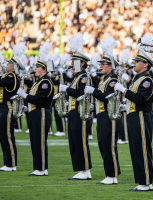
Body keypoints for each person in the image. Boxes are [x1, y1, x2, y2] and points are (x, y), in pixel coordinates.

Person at [115, 49, 153, 191]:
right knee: (135, 150)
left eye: (137, 61)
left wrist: (124, 90)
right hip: (133, 116)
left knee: (142, 149)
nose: (134, 63)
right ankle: (142, 182)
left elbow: (139, 99)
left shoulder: (147, 79)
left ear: (145, 65)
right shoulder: (138, 78)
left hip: (141, 117)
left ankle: (146, 182)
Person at [85, 36, 121, 184]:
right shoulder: (104, 79)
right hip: (101, 115)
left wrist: (93, 91)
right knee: (102, 145)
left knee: (108, 145)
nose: (101, 66)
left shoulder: (112, 80)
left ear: (110, 66)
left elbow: (107, 97)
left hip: (109, 116)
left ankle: (112, 176)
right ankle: (110, 175)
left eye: (103, 64)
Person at [16, 41, 54, 176]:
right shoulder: (38, 81)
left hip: (42, 113)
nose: (35, 68)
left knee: (39, 140)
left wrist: (24, 95)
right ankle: (39, 167)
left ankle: (42, 168)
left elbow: (38, 100)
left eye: (38, 66)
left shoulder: (45, 82)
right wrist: (27, 107)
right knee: (34, 140)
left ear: (44, 69)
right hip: (35, 113)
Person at [59, 32, 92, 180]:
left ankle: (85, 170)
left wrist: (66, 89)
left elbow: (80, 93)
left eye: (75, 61)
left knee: (80, 140)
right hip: (73, 111)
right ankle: (81, 169)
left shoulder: (83, 77)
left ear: (83, 63)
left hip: (80, 112)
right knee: (73, 140)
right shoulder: (77, 76)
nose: (72, 63)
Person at [0, 42, 25, 172]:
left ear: (14, 66)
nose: (7, 64)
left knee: (7, 135)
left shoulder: (12, 77)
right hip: (3, 107)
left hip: (8, 107)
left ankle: (11, 164)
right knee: (3, 136)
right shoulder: (8, 75)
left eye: (9, 63)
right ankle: (7, 163)